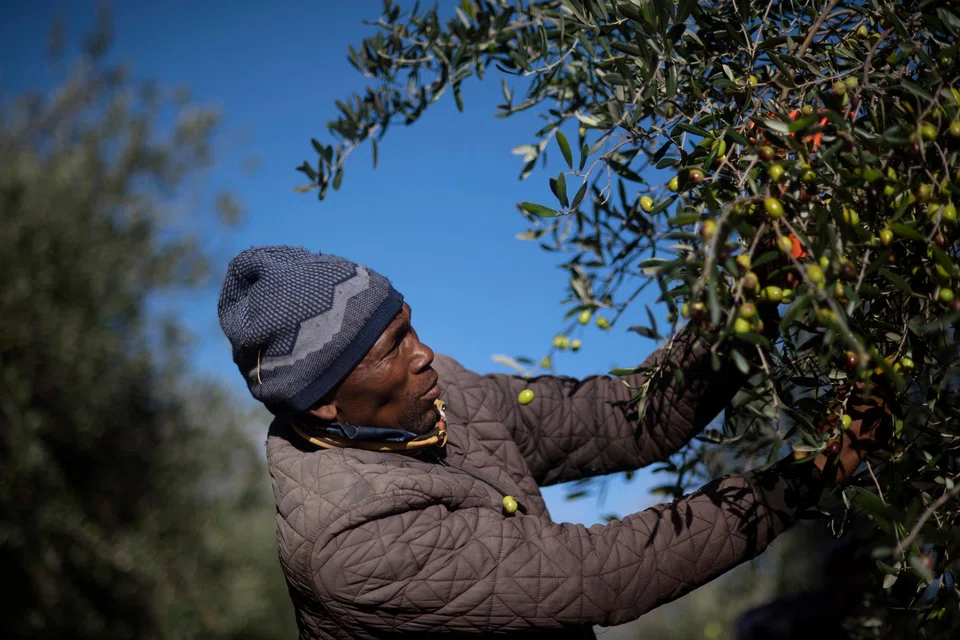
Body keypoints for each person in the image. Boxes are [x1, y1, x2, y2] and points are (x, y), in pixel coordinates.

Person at [217, 245, 887, 639]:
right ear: (326, 400)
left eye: (410, 326)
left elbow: (625, 417)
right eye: (392, 348)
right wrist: (810, 475)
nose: (426, 356)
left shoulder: (440, 389)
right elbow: (599, 574)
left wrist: (752, 297)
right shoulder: (350, 539)